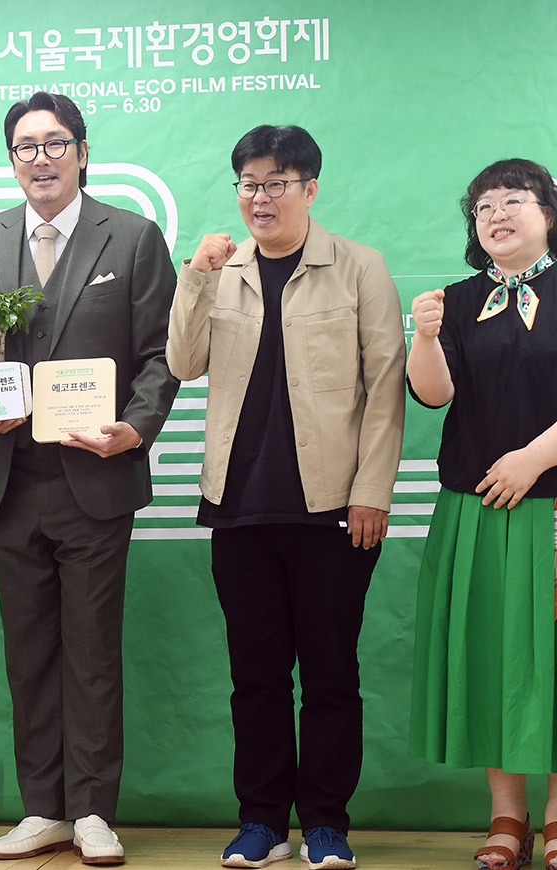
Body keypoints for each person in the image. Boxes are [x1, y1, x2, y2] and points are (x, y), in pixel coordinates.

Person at [0, 91, 178, 865]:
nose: (40, 158)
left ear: (81, 152)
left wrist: (135, 427)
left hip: (96, 476)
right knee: (29, 653)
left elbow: (162, 353)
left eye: (54, 143)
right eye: (26, 146)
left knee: (92, 651)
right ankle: (43, 807)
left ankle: (93, 810)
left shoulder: (132, 237)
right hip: (12, 480)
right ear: (12, 159)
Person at [166, 125, 405, 870]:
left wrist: (371, 492)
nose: (260, 198)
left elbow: (385, 389)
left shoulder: (360, 267)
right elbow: (183, 361)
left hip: (333, 507)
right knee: (256, 678)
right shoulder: (224, 269)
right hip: (238, 506)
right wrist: (196, 276)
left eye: (275, 183)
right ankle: (262, 821)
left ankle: (326, 821)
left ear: (309, 189)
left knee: (331, 675)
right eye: (249, 184)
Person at [407, 158, 557, 870]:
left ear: (550, 216)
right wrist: (424, 337)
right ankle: (506, 816)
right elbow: (434, 395)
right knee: (491, 655)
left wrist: (532, 459)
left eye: (514, 200)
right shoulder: (455, 300)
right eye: (483, 207)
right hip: (478, 509)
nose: (497, 214)